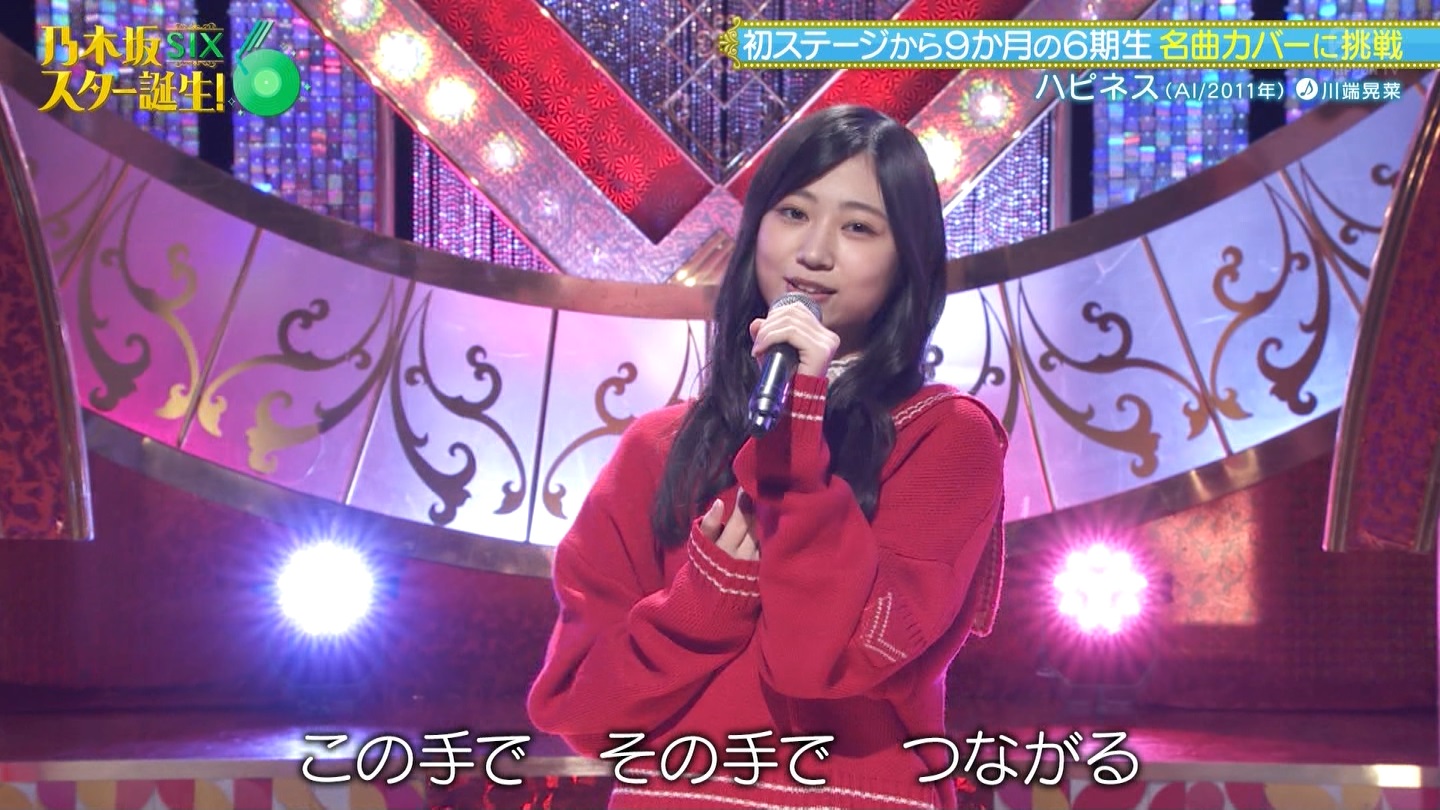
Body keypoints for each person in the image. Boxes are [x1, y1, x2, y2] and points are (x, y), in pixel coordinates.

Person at [526, 104, 1008, 810]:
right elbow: (581, 711)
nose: (813, 252)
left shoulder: (945, 439)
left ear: (907, 262)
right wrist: (705, 602)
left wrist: (797, 433)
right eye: (793, 213)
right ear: (755, 231)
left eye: (858, 228)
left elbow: (819, 662)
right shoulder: (659, 447)